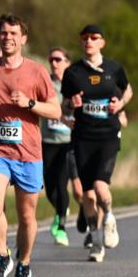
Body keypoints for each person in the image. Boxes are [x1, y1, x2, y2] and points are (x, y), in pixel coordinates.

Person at [0, 14, 61, 277]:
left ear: (23, 39)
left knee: (26, 217)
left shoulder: (37, 72)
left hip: (28, 153)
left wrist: (30, 103)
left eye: (13, 33)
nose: (8, 37)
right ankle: (2, 256)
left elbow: (55, 110)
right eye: (3, 32)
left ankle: (24, 264)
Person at [62, 24, 133, 262]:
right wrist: (72, 104)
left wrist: (120, 105)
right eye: (84, 38)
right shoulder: (72, 73)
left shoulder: (114, 68)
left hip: (108, 136)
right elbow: (64, 106)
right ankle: (96, 240)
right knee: (88, 196)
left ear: (102, 42)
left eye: (94, 37)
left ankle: (110, 217)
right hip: (83, 138)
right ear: (81, 42)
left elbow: (128, 90)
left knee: (101, 188)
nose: (89, 41)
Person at [41, 46, 82, 247]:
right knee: (49, 188)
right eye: (51, 60)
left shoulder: (75, 83)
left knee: (62, 182)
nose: (54, 63)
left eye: (58, 59)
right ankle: (61, 209)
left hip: (68, 142)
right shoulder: (44, 82)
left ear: (67, 62)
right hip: (47, 141)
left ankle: (61, 227)